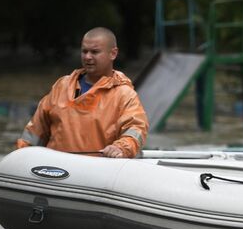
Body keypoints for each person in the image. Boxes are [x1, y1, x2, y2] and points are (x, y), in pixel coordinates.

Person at [16, 27, 149, 158]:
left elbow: (135, 129)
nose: (87, 57)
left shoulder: (124, 95)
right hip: (53, 170)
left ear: (113, 54)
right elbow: (36, 130)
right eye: (84, 51)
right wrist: (22, 155)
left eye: (94, 52)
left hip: (95, 171)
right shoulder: (62, 86)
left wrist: (120, 148)